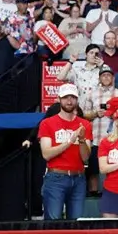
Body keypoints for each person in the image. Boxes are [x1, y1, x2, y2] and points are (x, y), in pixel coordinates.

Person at [37, 83, 93, 220]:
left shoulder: (85, 124)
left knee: (76, 222)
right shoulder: (47, 123)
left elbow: (85, 157)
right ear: (59, 99)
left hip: (78, 177)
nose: (69, 101)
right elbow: (46, 154)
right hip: (56, 177)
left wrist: (80, 140)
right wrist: (69, 141)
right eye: (66, 97)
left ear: (77, 99)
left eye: (73, 97)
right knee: (53, 223)